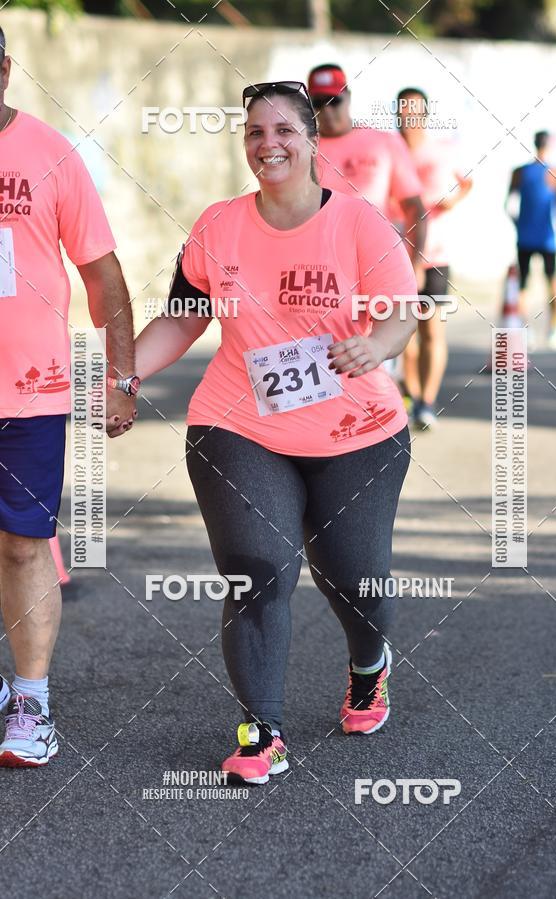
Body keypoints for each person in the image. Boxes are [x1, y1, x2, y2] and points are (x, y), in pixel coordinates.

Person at [135, 81, 419, 785]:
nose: (269, 145)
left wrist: (375, 345)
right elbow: (183, 315)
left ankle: (368, 661)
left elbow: (403, 310)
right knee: (258, 569)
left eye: (284, 130)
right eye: (255, 133)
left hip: (356, 430)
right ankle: (262, 730)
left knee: (353, 576)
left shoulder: (357, 224)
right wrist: (124, 374)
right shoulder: (219, 225)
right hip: (238, 423)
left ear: (311, 139)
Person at [0, 26, 137, 767]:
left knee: (24, 544)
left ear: (6, 69)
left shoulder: (52, 154)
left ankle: (31, 703)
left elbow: (102, 274)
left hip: (30, 390)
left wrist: (119, 377)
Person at [392, 87, 472, 429]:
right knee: (402, 338)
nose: (410, 118)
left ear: (425, 114)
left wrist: (453, 199)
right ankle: (409, 396)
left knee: (431, 332)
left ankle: (427, 401)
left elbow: (466, 183)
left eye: (416, 111)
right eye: (404, 111)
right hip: (392, 256)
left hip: (435, 256)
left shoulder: (443, 150)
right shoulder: (388, 150)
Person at [307, 64, 426, 284]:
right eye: (319, 103)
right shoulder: (301, 150)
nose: (328, 111)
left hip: (378, 264)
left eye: (335, 101)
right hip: (321, 269)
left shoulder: (385, 142)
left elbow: (414, 207)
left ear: (348, 97)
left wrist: (415, 263)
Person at [507, 130, 556, 349]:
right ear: (549, 145)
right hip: (547, 238)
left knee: (523, 286)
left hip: (525, 237)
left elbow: (508, 205)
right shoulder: (555, 173)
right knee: (552, 282)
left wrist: (518, 225)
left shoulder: (519, 172)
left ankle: (526, 332)